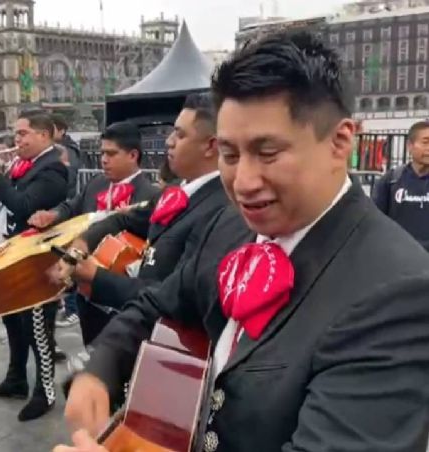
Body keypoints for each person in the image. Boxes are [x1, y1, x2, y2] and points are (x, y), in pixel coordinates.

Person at [59, 31, 429, 452]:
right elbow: (155, 304)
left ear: (341, 142)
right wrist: (100, 369)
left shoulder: (398, 292)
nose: (244, 183)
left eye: (267, 153)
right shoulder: (229, 228)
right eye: (230, 156)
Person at [60, 93, 227, 347]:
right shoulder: (174, 193)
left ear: (210, 145)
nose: (169, 142)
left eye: (180, 135)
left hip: (175, 342)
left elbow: (177, 297)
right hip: (143, 329)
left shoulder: (220, 209)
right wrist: (80, 246)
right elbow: (122, 219)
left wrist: (98, 278)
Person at [0, 111, 69, 421]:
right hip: (13, 255)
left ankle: (45, 392)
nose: (17, 139)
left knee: (38, 328)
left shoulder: (52, 169)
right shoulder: (23, 165)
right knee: (13, 322)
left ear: (44, 135)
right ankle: (16, 379)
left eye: (23, 134)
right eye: (16, 133)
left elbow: (25, 207)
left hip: (37, 262)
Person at [29, 121, 161, 346]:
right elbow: (72, 206)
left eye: (111, 154)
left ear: (133, 155)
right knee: (90, 346)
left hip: (123, 295)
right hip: (87, 292)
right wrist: (52, 214)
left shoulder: (150, 195)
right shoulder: (96, 182)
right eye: (102, 153)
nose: (103, 160)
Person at [372, 120, 429, 252]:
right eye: (426, 142)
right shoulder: (391, 180)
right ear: (410, 145)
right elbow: (375, 221)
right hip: (400, 256)